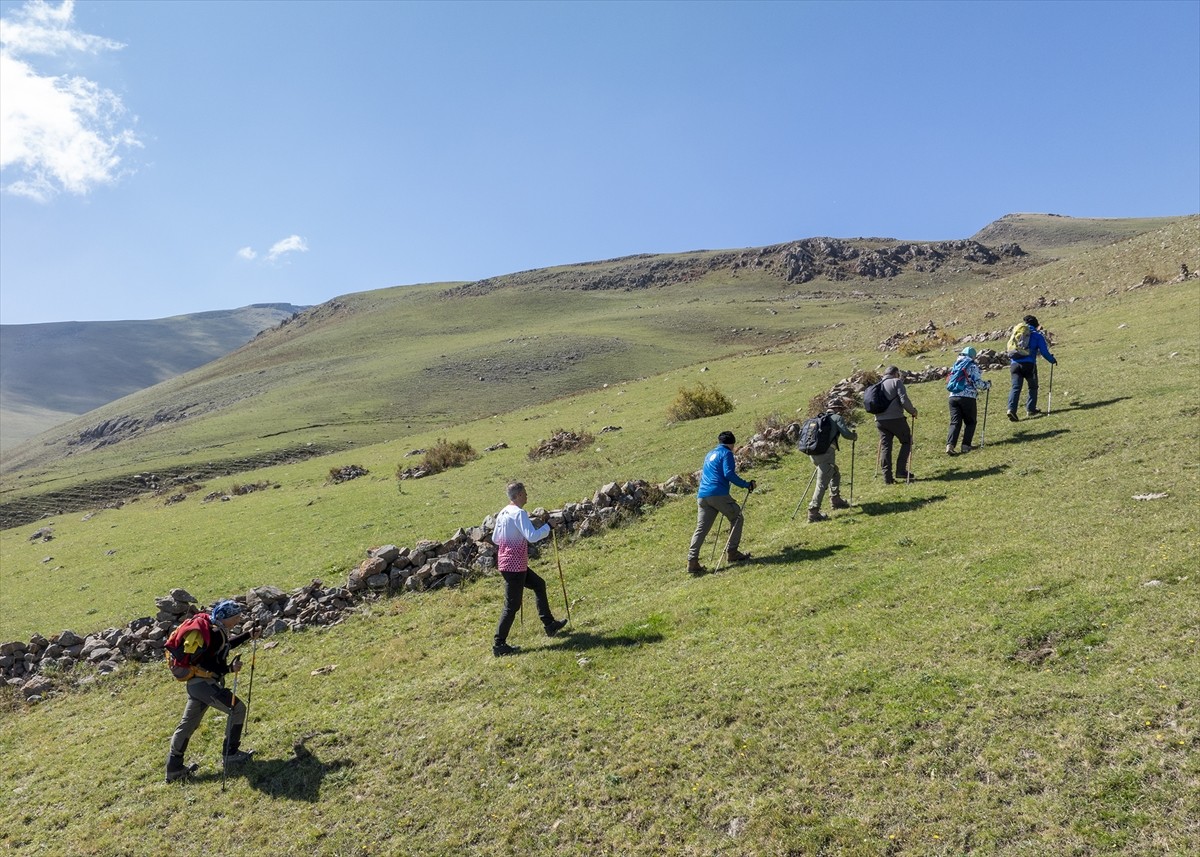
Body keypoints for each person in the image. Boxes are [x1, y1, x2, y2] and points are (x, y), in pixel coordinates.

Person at [165, 599, 258, 783]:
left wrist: (248, 635)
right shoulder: (215, 633)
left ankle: (174, 769)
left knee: (187, 725)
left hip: (196, 685)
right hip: (205, 685)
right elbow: (207, 663)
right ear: (227, 618)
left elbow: (223, 647)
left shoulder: (216, 629)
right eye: (236, 617)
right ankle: (230, 754)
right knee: (237, 709)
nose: (238, 619)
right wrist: (230, 669)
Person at [491, 482, 568, 657]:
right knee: (512, 606)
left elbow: (496, 538)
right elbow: (532, 537)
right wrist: (548, 526)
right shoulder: (519, 513)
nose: (527, 496)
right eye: (525, 493)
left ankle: (549, 625)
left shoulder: (503, 512)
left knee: (539, 584)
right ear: (518, 495)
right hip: (515, 566)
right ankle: (499, 644)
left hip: (507, 563)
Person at [686, 431, 756, 574]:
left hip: (703, 495)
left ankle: (692, 561)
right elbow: (728, 473)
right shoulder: (727, 454)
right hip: (717, 493)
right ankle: (732, 552)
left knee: (701, 529)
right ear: (732, 444)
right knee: (737, 518)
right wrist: (746, 484)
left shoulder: (710, 454)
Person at [806, 412, 858, 522]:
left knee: (834, 472)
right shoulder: (837, 417)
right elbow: (846, 434)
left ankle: (836, 499)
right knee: (822, 483)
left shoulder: (817, 419)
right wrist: (854, 436)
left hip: (813, 453)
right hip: (826, 454)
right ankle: (813, 512)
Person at [1007, 314, 1057, 421]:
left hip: (1014, 364)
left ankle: (1011, 409)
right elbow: (1044, 352)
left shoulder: (1018, 333)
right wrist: (1052, 360)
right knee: (1033, 386)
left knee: (1015, 388)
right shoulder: (1037, 335)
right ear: (1036, 325)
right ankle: (1030, 409)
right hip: (1029, 364)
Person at [873, 366, 919, 483]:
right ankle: (901, 471)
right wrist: (913, 411)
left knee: (886, 447)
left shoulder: (878, 385)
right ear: (896, 373)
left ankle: (887, 478)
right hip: (896, 418)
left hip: (880, 420)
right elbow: (903, 400)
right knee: (906, 441)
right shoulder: (896, 382)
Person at [945, 346, 992, 455]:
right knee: (970, 422)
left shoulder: (955, 365)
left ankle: (950, 445)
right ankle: (966, 446)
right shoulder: (972, 365)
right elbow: (977, 383)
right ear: (973, 356)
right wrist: (987, 385)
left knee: (955, 422)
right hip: (967, 397)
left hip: (953, 397)